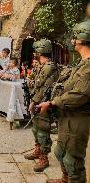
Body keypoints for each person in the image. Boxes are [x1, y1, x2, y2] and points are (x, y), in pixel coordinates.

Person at [38, 20, 90, 183]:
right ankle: (65, 179)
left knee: (73, 160)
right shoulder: (81, 63)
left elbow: (80, 95)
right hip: (67, 116)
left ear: (82, 38)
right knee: (60, 152)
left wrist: (54, 103)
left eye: (75, 37)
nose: (72, 40)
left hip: (78, 118)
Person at [23, 39, 58, 172]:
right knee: (36, 129)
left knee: (43, 131)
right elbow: (32, 82)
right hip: (37, 102)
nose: (34, 53)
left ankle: (44, 158)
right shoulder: (41, 66)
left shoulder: (49, 67)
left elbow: (42, 88)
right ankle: (37, 150)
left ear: (40, 51)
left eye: (35, 51)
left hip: (44, 104)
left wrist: (33, 101)